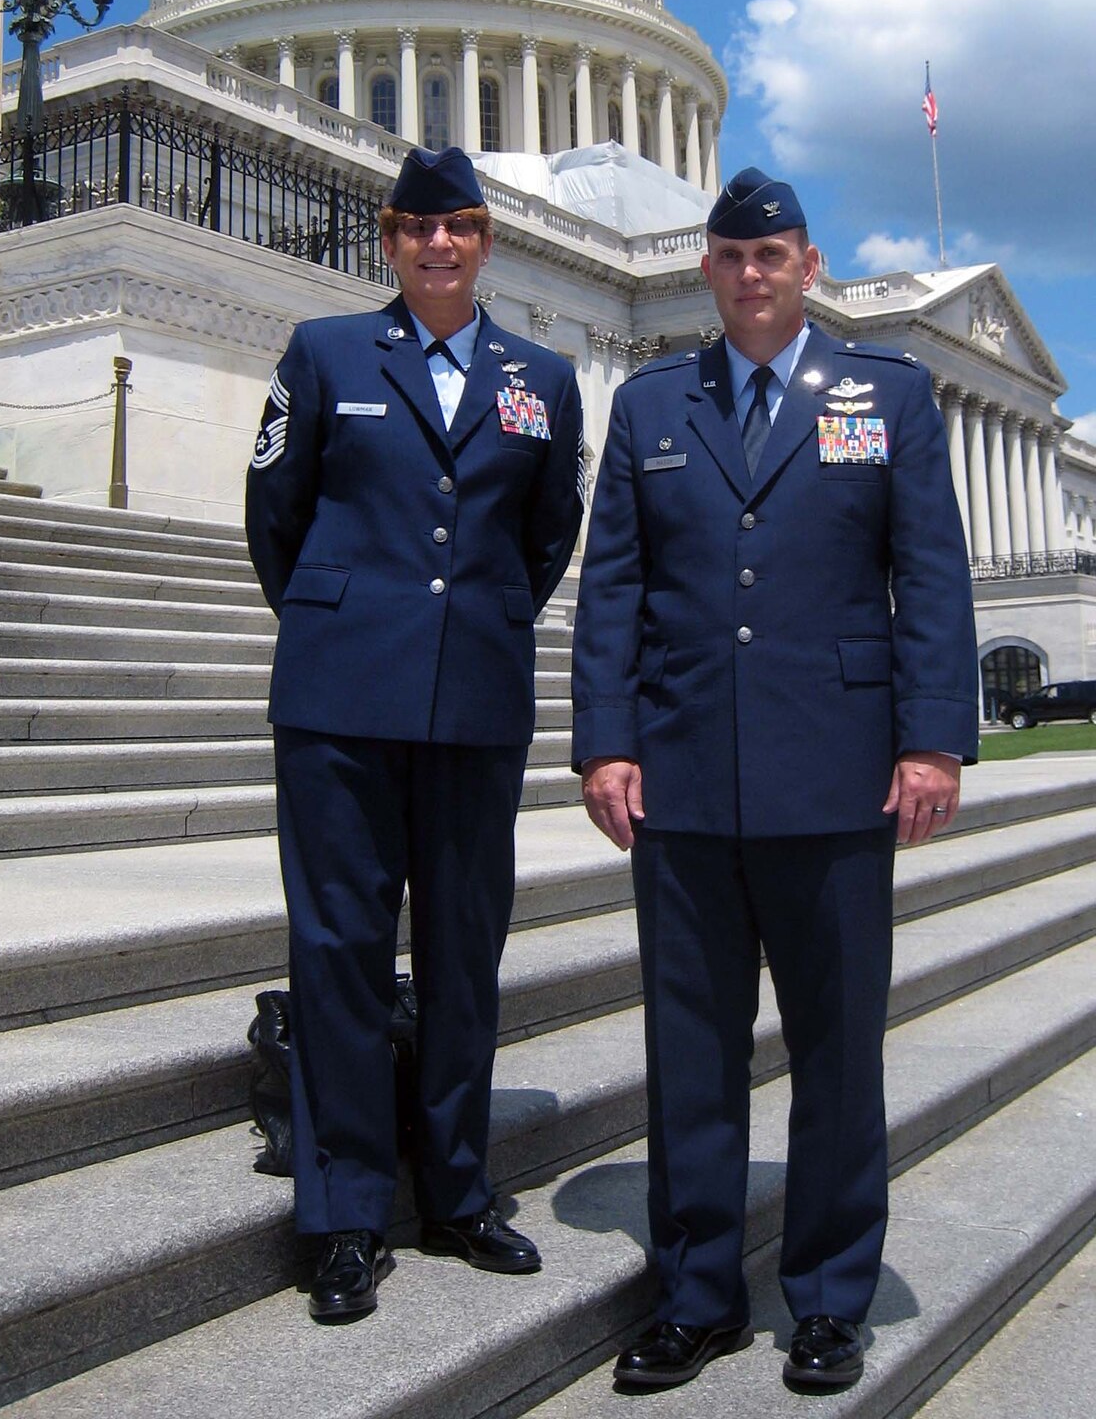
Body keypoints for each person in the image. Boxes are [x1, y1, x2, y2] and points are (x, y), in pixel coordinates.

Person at [571, 167, 977, 1393]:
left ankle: (828, 1296)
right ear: (708, 268)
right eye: (732, 255)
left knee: (839, 1051)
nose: (752, 273)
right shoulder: (652, 407)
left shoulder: (888, 397)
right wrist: (604, 740)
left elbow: (930, 576)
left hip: (835, 774)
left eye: (775, 254)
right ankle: (694, 1292)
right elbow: (613, 594)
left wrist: (932, 738)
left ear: (808, 267)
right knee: (689, 1051)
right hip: (684, 779)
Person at [246, 144, 584, 1323]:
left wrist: (468, 629)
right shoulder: (327, 351)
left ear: (487, 241)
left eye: (459, 227)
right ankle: (341, 1215)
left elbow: (546, 538)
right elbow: (273, 519)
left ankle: (453, 1186)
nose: (437, 245)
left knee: (460, 950)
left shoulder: (542, 374)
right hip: (340, 698)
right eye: (413, 227)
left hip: (473, 704)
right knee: (338, 947)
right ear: (386, 241)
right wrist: (357, 624)